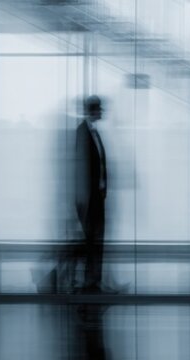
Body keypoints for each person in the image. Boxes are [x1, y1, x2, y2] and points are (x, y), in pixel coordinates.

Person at [75, 95, 108, 293]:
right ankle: (89, 282)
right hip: (89, 199)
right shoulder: (83, 132)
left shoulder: (93, 132)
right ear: (92, 110)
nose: (102, 112)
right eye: (99, 109)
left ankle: (94, 281)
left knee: (96, 242)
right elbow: (82, 170)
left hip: (98, 197)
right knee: (91, 243)